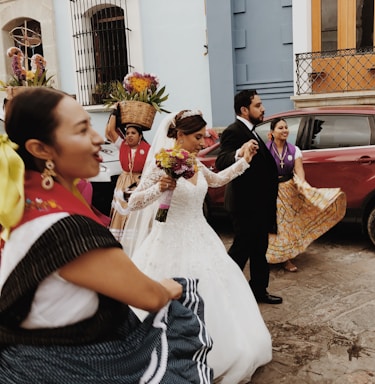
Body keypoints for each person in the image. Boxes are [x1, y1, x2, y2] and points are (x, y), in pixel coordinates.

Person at [0, 87, 213, 383]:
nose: (99, 137)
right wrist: (171, 287)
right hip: (60, 368)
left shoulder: (29, 201)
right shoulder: (64, 229)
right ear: (41, 149)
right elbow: (150, 297)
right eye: (82, 129)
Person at [124, 110, 272, 384]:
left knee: (219, 291)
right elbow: (134, 203)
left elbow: (216, 180)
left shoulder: (192, 161)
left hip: (202, 236)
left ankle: (227, 347)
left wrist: (243, 160)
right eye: (197, 137)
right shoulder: (161, 164)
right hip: (168, 239)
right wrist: (160, 187)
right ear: (179, 135)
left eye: (204, 136)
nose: (203, 142)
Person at [215, 89, 282, 304]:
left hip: (259, 205)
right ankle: (222, 289)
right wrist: (239, 152)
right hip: (245, 205)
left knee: (259, 250)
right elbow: (222, 160)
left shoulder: (252, 131)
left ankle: (259, 291)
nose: (263, 109)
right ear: (244, 110)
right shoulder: (234, 131)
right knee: (241, 249)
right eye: (258, 105)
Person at [265, 117, 347, 272]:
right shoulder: (265, 150)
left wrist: (302, 185)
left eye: (286, 127)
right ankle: (269, 256)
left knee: (287, 225)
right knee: (270, 223)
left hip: (289, 190)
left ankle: (286, 258)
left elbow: (299, 170)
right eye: (280, 128)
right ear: (272, 132)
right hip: (269, 190)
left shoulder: (294, 150)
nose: (284, 130)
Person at [105, 109, 151, 241]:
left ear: (140, 136)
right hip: (124, 182)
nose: (129, 135)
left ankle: (137, 240)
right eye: (127, 133)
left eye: (133, 133)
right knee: (121, 212)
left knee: (136, 213)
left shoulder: (148, 149)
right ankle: (121, 240)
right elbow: (110, 131)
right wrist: (114, 112)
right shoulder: (123, 145)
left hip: (140, 182)